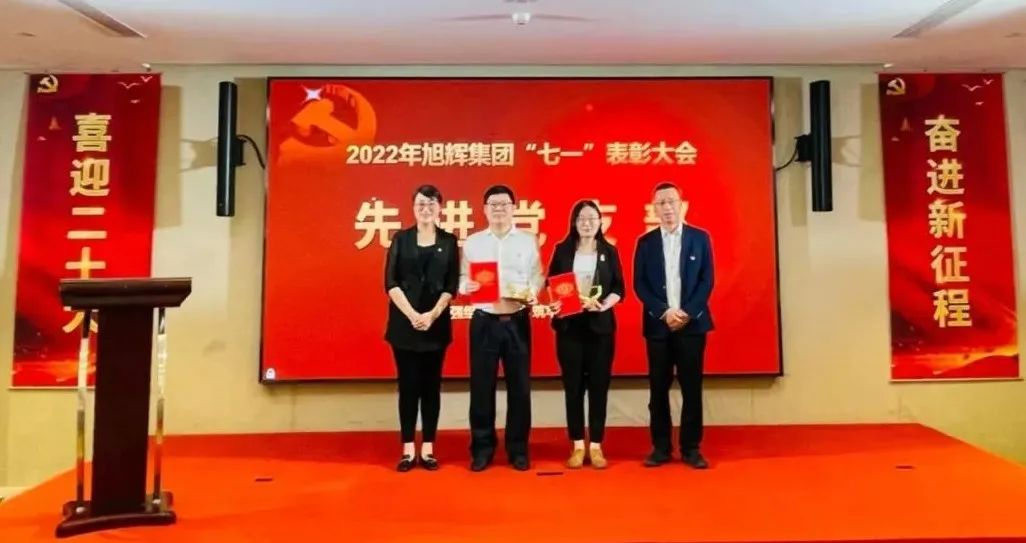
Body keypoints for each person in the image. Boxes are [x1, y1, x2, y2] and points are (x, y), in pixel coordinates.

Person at [459, 185, 544, 472]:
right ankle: (482, 448)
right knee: (481, 388)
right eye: (493, 204)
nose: (498, 209)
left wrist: (531, 292)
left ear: (513, 208)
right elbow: (461, 278)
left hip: (516, 320)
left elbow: (537, 276)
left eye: (504, 204)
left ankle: (518, 449)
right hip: (484, 320)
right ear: (484, 209)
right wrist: (467, 286)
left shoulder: (527, 241)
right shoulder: (473, 243)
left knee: (520, 388)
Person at [632, 181, 715, 469]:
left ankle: (691, 448)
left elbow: (707, 280)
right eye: (661, 203)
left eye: (671, 202)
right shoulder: (646, 243)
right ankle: (661, 447)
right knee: (658, 389)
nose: (667, 207)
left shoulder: (700, 238)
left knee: (692, 388)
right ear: (654, 209)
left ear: (682, 205)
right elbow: (640, 284)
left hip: (692, 326)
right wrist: (665, 312)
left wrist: (687, 312)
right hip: (658, 326)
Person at [384, 184, 460, 472]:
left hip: (436, 326)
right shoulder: (401, 239)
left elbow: (451, 285)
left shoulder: (449, 241)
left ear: (439, 208)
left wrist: (432, 315)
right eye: (420, 204)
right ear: (413, 208)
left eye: (431, 204)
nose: (426, 209)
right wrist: (413, 315)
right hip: (404, 326)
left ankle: (428, 448)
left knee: (431, 388)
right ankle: (407, 448)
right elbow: (390, 282)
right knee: (408, 387)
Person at [546, 200, 624, 469]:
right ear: (574, 222)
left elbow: (619, 288)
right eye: (581, 218)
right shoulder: (563, 249)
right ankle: (578, 445)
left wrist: (603, 305)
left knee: (599, 387)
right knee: (574, 387)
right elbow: (552, 282)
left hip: (600, 328)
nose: (587, 223)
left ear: (601, 222)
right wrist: (556, 301)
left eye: (592, 218)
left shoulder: (609, 251)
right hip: (570, 327)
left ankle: (597, 445)